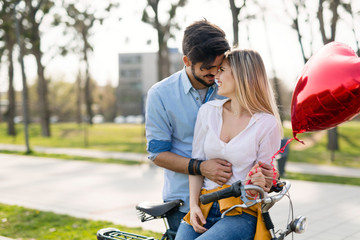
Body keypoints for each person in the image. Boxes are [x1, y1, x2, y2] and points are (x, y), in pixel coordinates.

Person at [145, 20, 277, 233]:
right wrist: (201, 166)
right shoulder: (160, 95)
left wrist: (268, 176)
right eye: (208, 68)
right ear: (187, 61)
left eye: (220, 67)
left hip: (234, 204)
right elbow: (157, 154)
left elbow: (258, 155)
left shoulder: (228, 88)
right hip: (182, 199)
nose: (215, 75)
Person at [175, 49, 282, 240]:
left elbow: (264, 180)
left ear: (242, 76)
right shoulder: (207, 112)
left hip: (241, 210)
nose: (216, 75)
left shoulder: (266, 123)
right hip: (204, 204)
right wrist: (193, 205)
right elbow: (196, 163)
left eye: (222, 70)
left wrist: (259, 184)